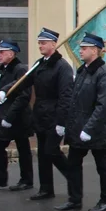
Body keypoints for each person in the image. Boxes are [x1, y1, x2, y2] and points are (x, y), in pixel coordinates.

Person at [55, 33, 106, 211]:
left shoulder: (105, 74)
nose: (80, 51)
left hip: (97, 129)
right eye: (81, 48)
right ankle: (74, 200)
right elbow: (75, 101)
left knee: (102, 164)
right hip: (79, 128)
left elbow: (104, 105)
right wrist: (65, 123)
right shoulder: (83, 70)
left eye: (84, 48)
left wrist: (89, 128)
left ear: (95, 50)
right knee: (73, 163)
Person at [22, 28, 73, 201]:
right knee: (43, 153)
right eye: (39, 43)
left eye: (43, 43)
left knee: (52, 150)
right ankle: (46, 188)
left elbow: (66, 96)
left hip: (54, 116)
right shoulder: (39, 63)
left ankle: (73, 179)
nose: (40, 46)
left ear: (53, 44)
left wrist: (61, 122)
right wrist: (5, 92)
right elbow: (24, 82)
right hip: (40, 115)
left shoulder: (62, 67)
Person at [0, 40, 34, 192]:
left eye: (2, 52)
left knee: (23, 148)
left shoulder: (20, 69)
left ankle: (26, 180)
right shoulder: (5, 69)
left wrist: (10, 117)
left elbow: (23, 96)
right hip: (5, 114)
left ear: (11, 53)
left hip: (18, 116)